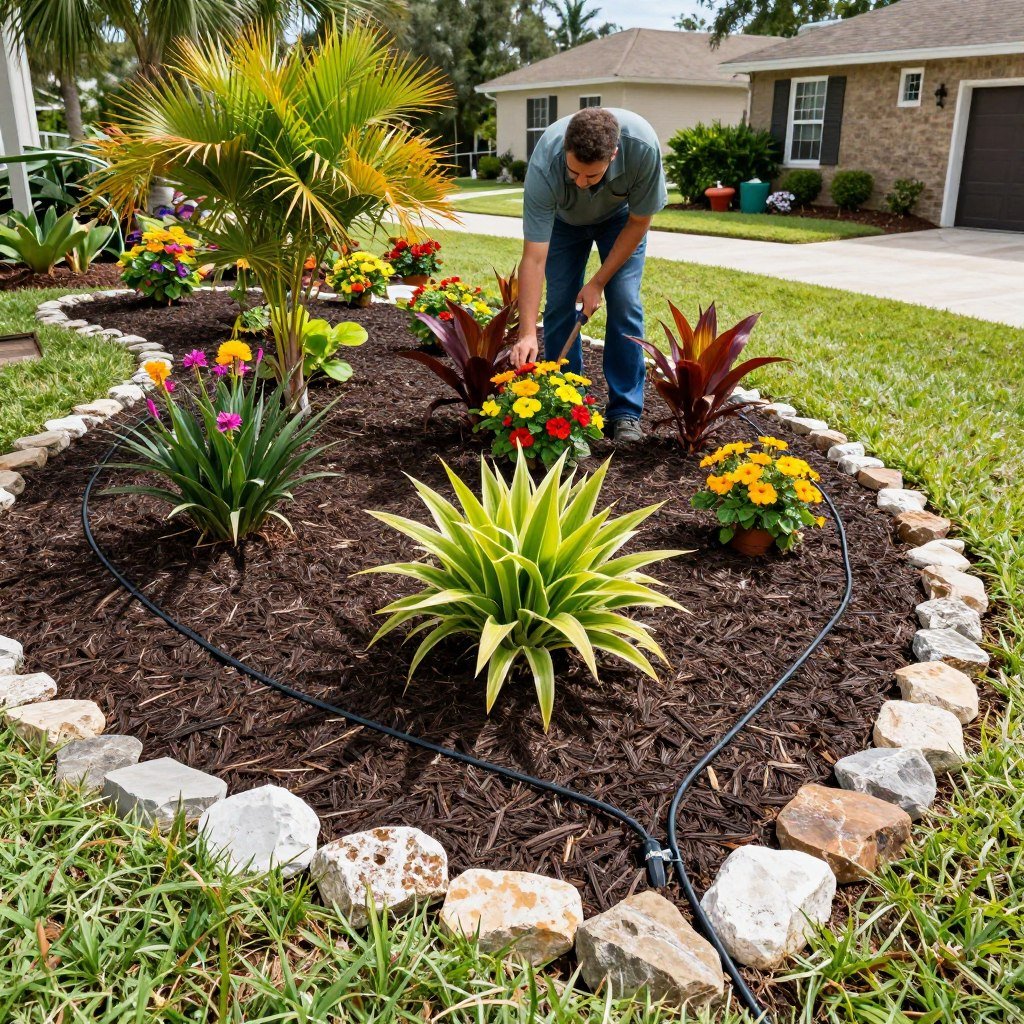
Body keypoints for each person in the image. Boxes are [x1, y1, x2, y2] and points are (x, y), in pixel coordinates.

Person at [510, 107, 667, 445]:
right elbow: (534, 258)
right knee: (559, 305)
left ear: (614, 154)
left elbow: (640, 222)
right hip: (564, 225)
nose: (580, 183)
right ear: (564, 150)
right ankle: (569, 405)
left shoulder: (642, 148)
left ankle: (625, 412)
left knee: (624, 300)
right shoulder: (544, 165)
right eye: (574, 172)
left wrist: (598, 283)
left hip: (621, 221)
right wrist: (526, 334)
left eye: (591, 176)